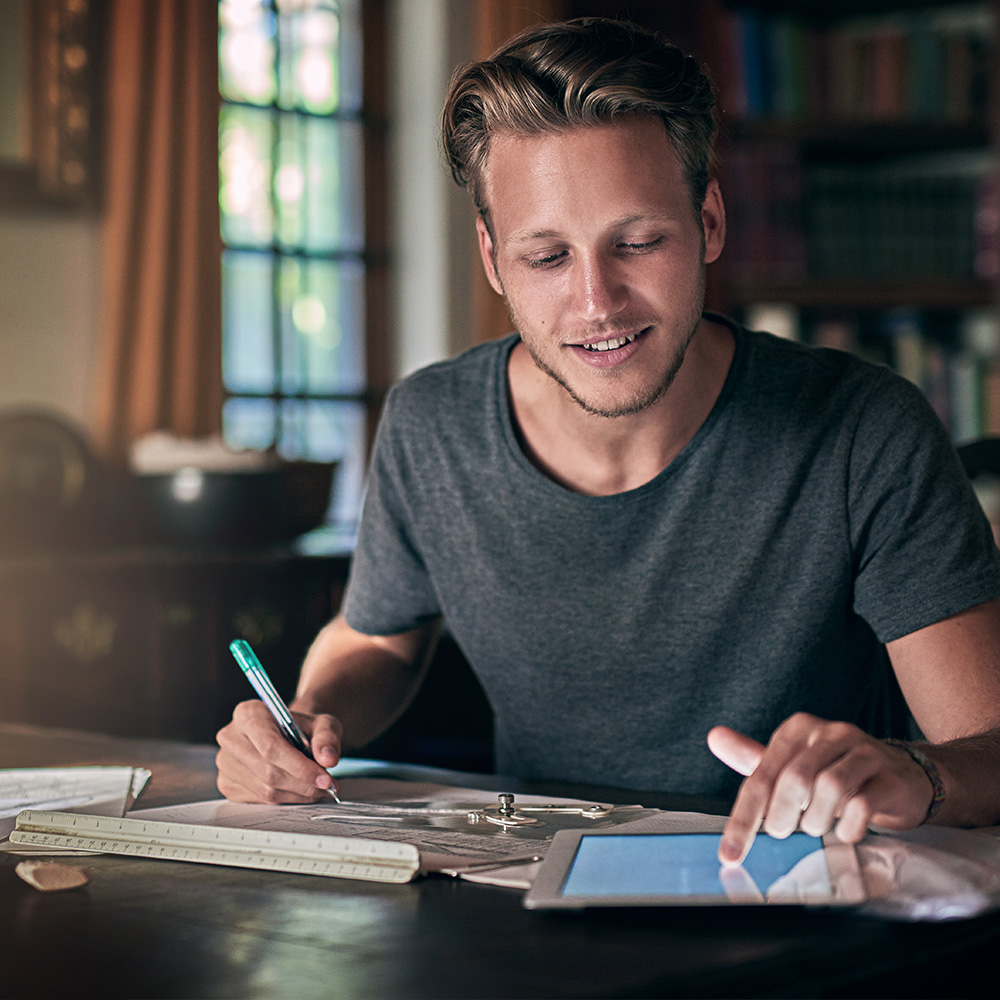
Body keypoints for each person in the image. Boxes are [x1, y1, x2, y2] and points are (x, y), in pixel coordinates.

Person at [216, 17, 1000, 865]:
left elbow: (992, 748)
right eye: (547, 256)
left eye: (637, 243)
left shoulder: (864, 429)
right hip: (529, 902)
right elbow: (374, 637)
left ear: (707, 223)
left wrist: (914, 773)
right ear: (492, 259)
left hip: (803, 903)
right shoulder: (430, 426)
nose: (598, 302)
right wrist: (302, 721)